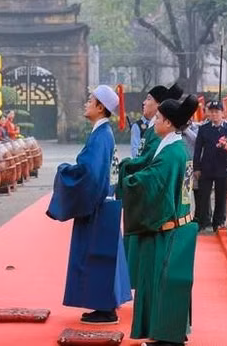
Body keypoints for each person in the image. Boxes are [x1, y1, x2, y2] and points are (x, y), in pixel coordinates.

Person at [46, 85, 132, 325]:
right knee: (101, 257)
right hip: (104, 202)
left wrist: (65, 171)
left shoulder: (101, 135)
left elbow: (90, 173)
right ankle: (104, 305)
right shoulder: (103, 133)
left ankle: (106, 309)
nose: (86, 103)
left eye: (90, 100)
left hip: (98, 205)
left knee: (97, 257)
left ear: (100, 107)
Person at [122, 95, 200, 346]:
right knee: (165, 284)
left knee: (163, 283)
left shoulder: (172, 152)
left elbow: (154, 182)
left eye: (158, 117)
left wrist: (128, 182)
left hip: (169, 229)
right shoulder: (173, 146)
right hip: (178, 223)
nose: (154, 120)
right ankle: (166, 333)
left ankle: (168, 338)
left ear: (167, 122)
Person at [117, 82, 183, 283]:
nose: (144, 102)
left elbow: (151, 166)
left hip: (151, 201)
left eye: (148, 99)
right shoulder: (155, 131)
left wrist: (127, 171)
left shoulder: (164, 140)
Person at [193, 100, 227, 233]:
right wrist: (196, 168)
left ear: (223, 113)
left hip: (223, 167)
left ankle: (219, 222)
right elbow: (198, 149)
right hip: (206, 167)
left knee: (221, 196)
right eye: (211, 112)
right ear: (208, 114)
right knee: (203, 196)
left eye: (217, 112)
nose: (214, 114)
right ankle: (203, 221)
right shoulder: (203, 128)